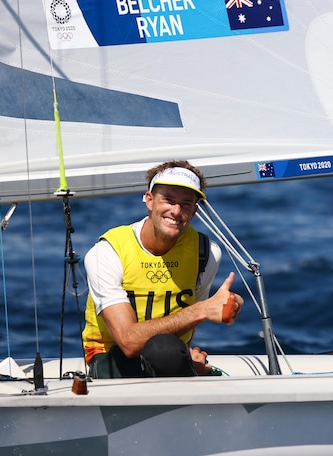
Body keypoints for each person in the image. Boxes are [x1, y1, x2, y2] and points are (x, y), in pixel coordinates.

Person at [81, 160, 243, 378]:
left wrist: (184, 358)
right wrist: (203, 310)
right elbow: (128, 342)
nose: (176, 211)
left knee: (166, 350)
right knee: (162, 348)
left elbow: (187, 327)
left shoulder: (206, 253)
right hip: (112, 360)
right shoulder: (107, 252)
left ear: (194, 211)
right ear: (149, 200)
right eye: (168, 200)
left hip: (168, 359)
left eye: (186, 204)